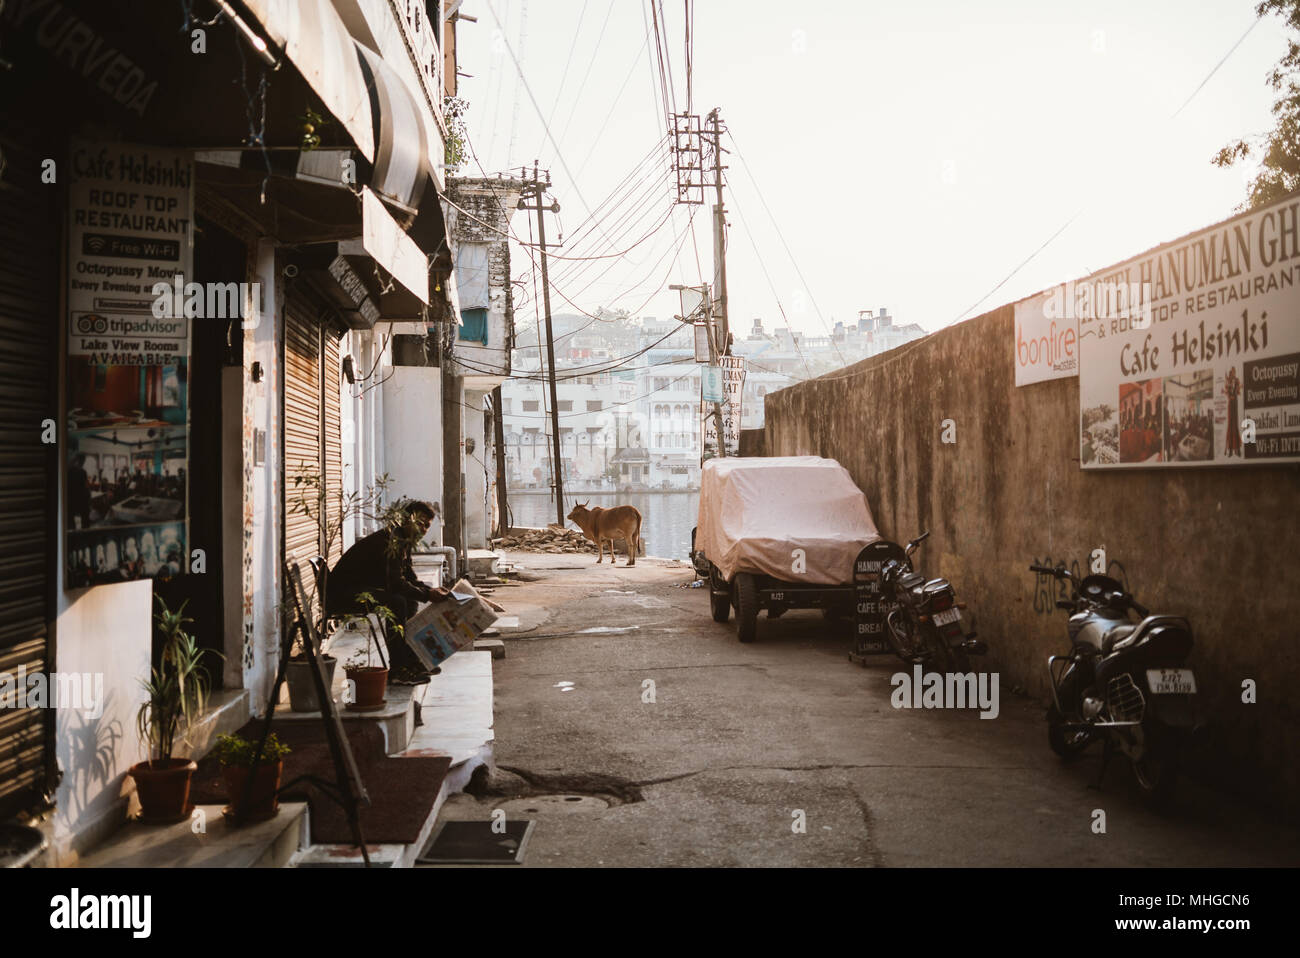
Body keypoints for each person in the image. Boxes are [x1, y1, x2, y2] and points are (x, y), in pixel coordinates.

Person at [325, 500, 452, 680]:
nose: (423, 530)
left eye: (427, 526)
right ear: (407, 519)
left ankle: (409, 659)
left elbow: (409, 579)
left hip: (361, 589)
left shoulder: (403, 541)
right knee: (397, 602)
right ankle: (398, 669)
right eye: (420, 523)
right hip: (344, 595)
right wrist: (428, 594)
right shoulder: (390, 541)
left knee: (410, 600)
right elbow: (395, 583)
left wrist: (431, 590)